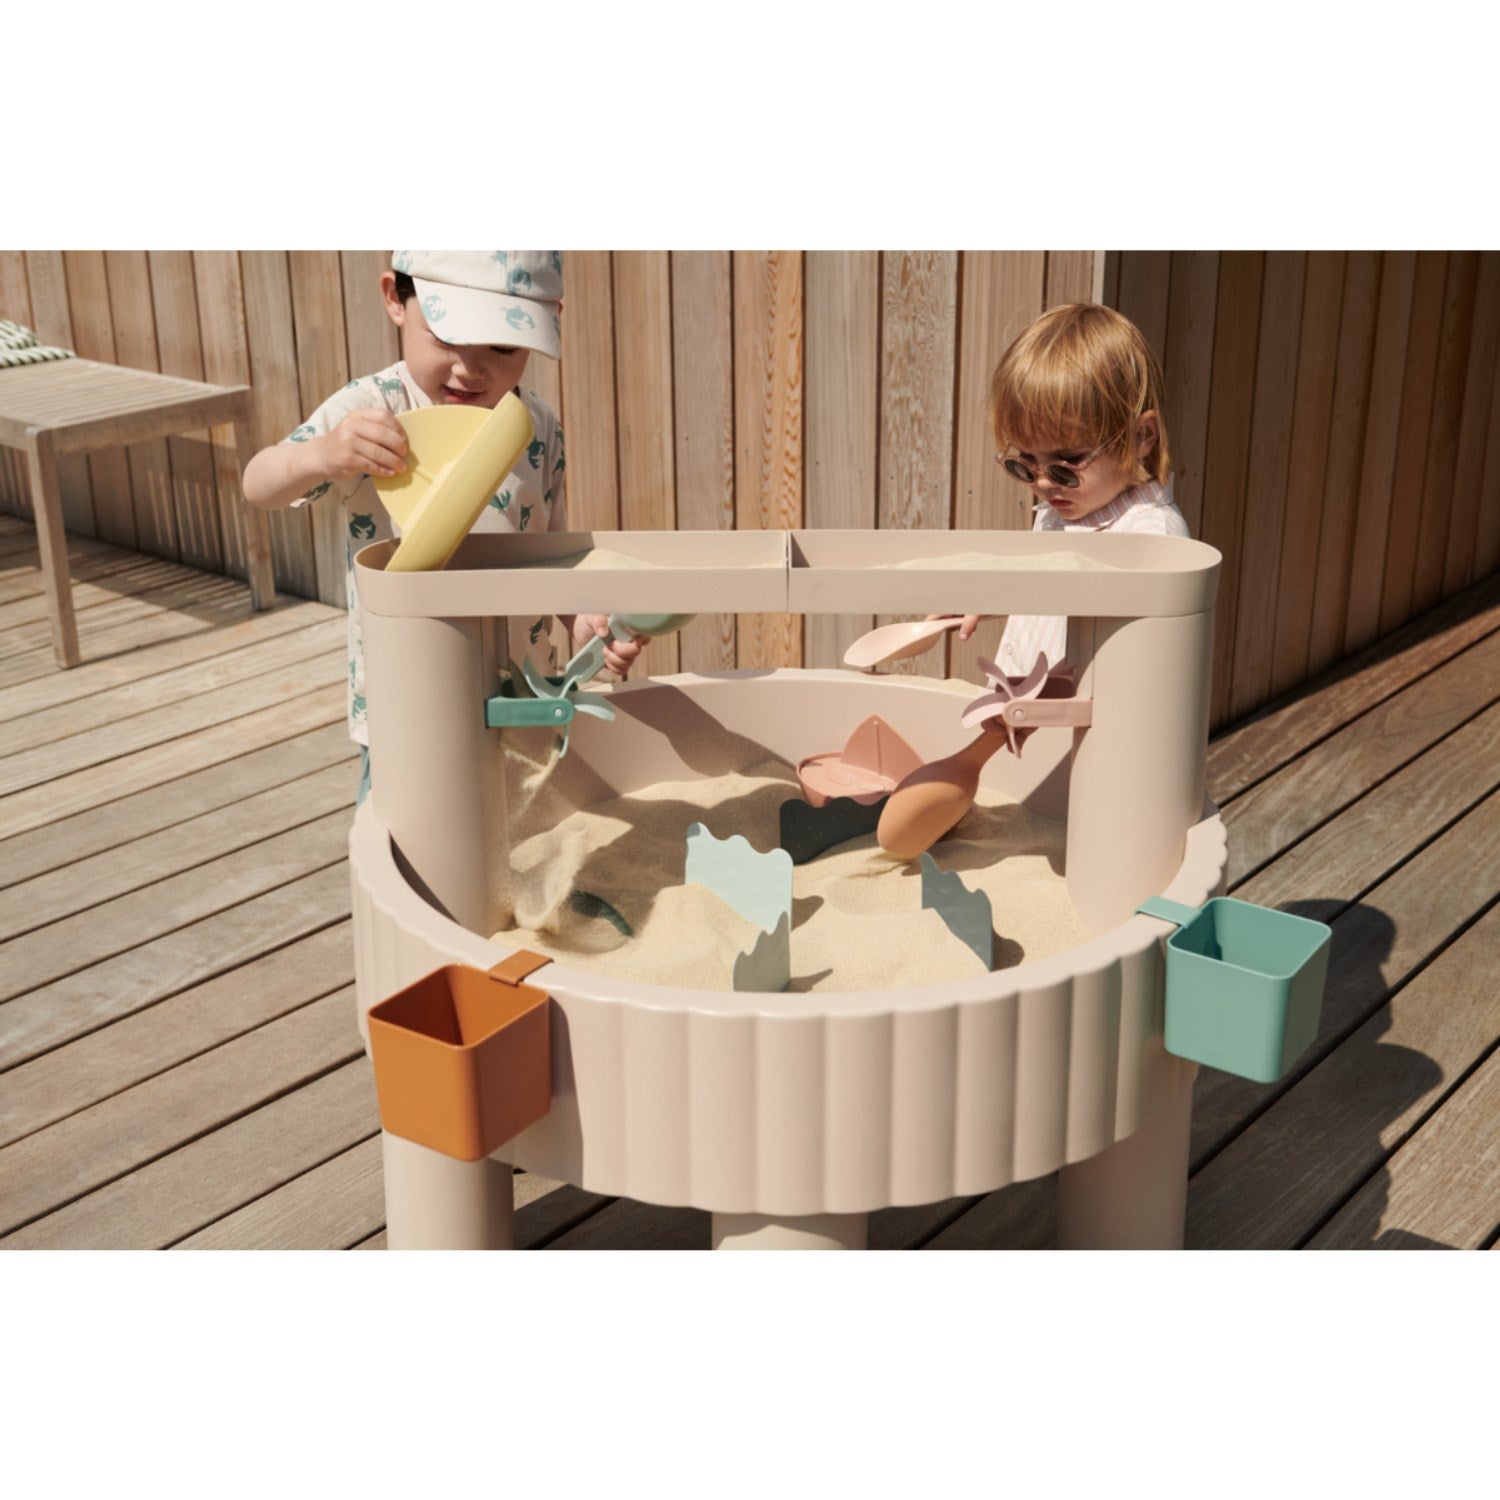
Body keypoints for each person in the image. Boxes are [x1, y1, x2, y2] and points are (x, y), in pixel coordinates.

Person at [242, 251, 643, 802]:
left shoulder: (537, 425)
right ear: (395, 299)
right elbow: (258, 484)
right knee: (410, 834)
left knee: (522, 830)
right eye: (449, 337)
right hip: (410, 699)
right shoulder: (374, 410)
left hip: (522, 698)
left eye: (503, 347)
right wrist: (323, 453)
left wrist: (580, 620)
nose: (470, 369)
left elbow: (551, 548)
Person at [946, 302, 1188, 679]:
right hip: (1023, 709)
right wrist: (988, 594)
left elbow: (1137, 670)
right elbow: (1042, 591)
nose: (1043, 482)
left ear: (1141, 436)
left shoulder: (1152, 543)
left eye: (1067, 462)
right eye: (1026, 461)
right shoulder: (1065, 507)